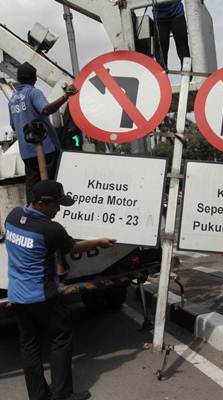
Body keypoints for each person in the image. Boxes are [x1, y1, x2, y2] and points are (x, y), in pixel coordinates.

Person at [4, 180, 116, 400]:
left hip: (17, 295)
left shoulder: (13, 217)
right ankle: (62, 395)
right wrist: (98, 242)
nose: (59, 209)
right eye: (56, 204)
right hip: (42, 295)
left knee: (30, 345)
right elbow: (73, 248)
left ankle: (37, 396)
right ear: (41, 203)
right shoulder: (50, 229)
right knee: (61, 338)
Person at [8, 63, 78, 204]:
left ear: (19, 79)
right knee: (50, 186)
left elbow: (13, 126)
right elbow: (45, 110)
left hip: (26, 152)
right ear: (34, 78)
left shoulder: (12, 100)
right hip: (46, 149)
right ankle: (50, 212)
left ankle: (31, 214)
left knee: (33, 188)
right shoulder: (33, 92)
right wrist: (65, 97)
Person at [152, 0, 191, 69]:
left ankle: (188, 74)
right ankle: (161, 77)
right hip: (159, 18)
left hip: (177, 14)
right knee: (160, 53)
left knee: (183, 48)